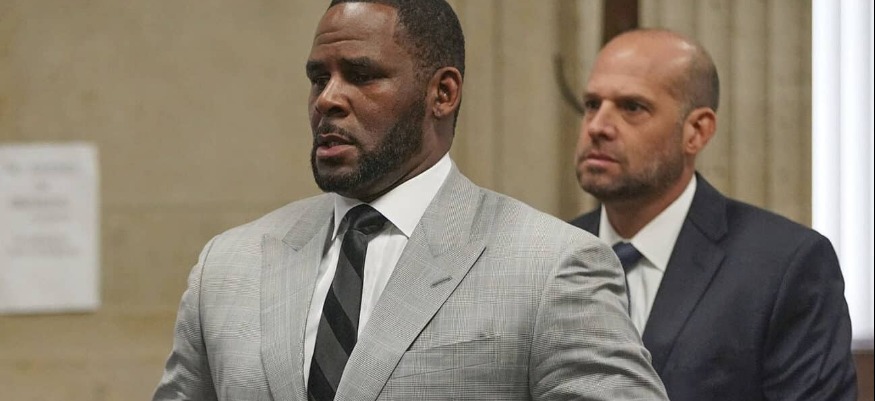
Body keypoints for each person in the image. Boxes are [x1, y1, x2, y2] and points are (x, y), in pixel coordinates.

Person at [153, 1, 669, 400]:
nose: (328, 99)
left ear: (442, 93)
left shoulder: (551, 266)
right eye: (318, 78)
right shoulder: (228, 266)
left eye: (361, 75)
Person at [569, 28, 858, 401]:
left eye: (632, 108)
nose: (597, 127)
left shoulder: (784, 266)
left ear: (696, 131)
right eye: (592, 104)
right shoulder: (551, 254)